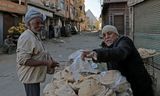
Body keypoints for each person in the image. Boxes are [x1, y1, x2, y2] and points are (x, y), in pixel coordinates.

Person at [81, 25, 154, 96]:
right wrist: (93, 56)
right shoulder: (108, 47)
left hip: (139, 84)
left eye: (109, 33)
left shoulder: (125, 41)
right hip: (125, 85)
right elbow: (107, 55)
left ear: (116, 35)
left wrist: (97, 54)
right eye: (104, 35)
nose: (106, 37)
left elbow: (119, 52)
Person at [16, 9, 59, 96]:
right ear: (28, 24)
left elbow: (39, 52)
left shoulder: (34, 35)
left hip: (34, 77)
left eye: (41, 22)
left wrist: (51, 61)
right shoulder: (27, 37)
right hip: (30, 78)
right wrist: (46, 63)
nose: (40, 25)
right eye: (37, 23)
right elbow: (23, 60)